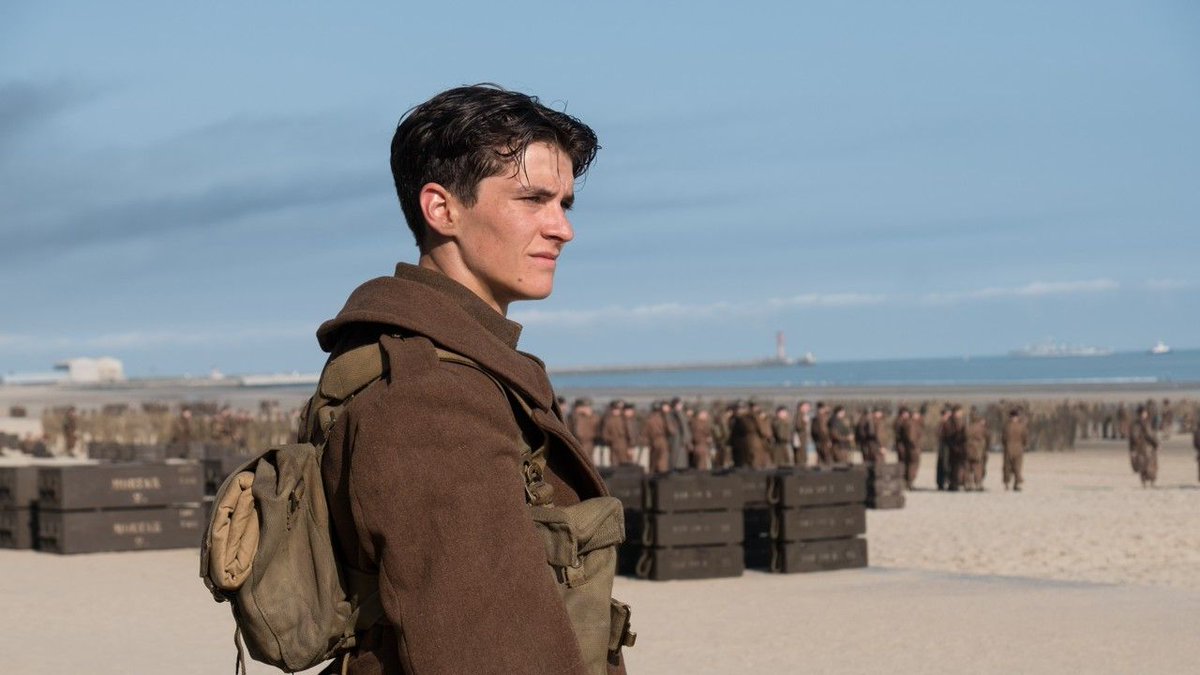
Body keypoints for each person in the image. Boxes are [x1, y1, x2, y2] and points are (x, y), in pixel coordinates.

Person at [311, 85, 629, 674]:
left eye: (564, 203)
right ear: (442, 209)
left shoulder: (447, 364)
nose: (562, 228)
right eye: (533, 199)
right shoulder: (432, 397)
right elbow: (486, 647)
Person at [1129, 405, 1158, 488]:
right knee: (1150, 465)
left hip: (1139, 448)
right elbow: (1149, 435)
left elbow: (1132, 438)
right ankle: (1151, 482)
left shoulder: (1134, 424)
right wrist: (1156, 443)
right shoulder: (1145, 423)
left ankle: (1144, 482)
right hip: (1147, 447)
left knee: (1142, 465)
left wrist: (1132, 448)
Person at [1001, 408, 1027, 491]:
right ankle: (1017, 484)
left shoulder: (1007, 426)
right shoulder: (1022, 426)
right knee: (1017, 466)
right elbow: (1025, 438)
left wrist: (1005, 445)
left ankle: (1007, 483)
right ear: (1017, 417)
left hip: (1008, 448)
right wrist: (1023, 446)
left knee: (1007, 467)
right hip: (1019, 448)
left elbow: (1003, 438)